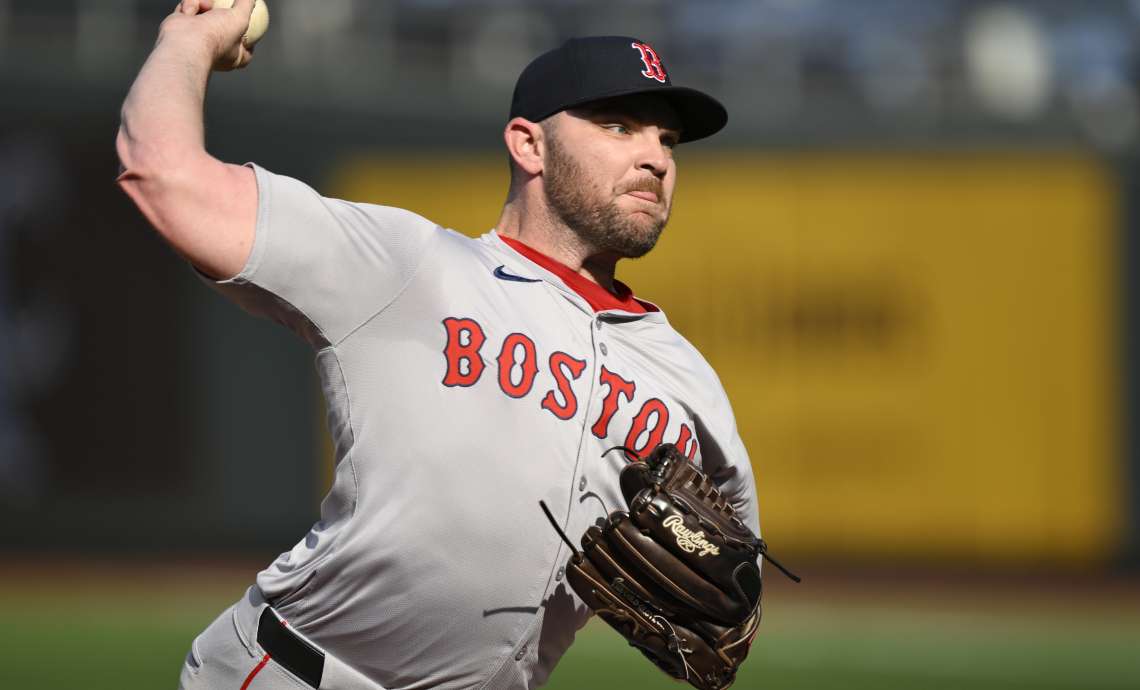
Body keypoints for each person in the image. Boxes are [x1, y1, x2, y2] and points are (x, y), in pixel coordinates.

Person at [117, 2, 760, 688]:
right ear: (528, 144)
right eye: (617, 126)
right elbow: (163, 175)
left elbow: (730, 599)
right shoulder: (408, 264)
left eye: (667, 140)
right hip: (294, 674)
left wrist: (724, 608)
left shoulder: (687, 383)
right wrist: (187, 39)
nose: (654, 158)